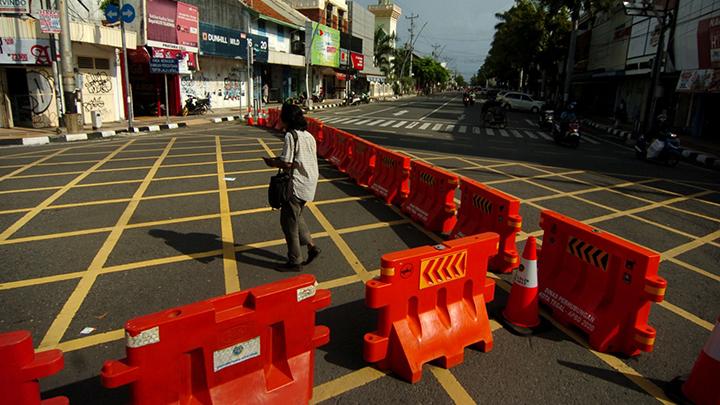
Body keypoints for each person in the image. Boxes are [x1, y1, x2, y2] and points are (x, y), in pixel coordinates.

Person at [262, 104, 321, 271]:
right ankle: (311, 247)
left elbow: (287, 161)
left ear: (287, 119)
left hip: (296, 185)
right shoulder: (308, 136)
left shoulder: (290, 135)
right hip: (309, 183)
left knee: (288, 223)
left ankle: (295, 261)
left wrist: (271, 162)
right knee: (297, 217)